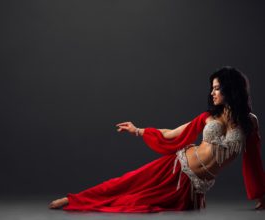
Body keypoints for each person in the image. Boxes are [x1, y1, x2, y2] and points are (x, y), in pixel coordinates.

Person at [48, 66, 265, 212]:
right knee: (125, 183)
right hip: (175, 166)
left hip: (191, 188)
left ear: (231, 89)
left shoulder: (249, 122)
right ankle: (73, 199)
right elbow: (173, 133)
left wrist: (261, 195)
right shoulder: (208, 117)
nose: (212, 93)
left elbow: (253, 159)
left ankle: (81, 202)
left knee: (134, 204)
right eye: (212, 89)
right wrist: (138, 130)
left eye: (217, 88)